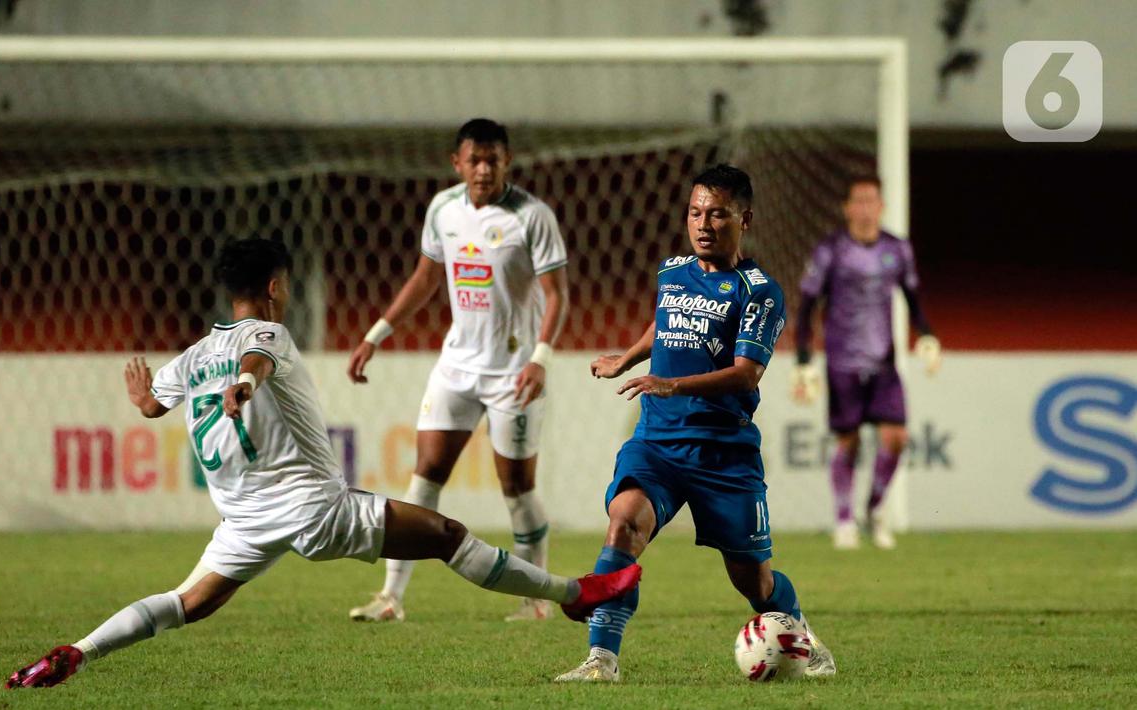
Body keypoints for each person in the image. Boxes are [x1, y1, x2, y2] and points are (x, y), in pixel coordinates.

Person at [5, 238, 638, 689]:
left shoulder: (195, 354)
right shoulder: (270, 333)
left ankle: (77, 651)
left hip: (244, 523)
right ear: (276, 287)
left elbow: (152, 405)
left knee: (187, 602)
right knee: (445, 535)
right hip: (313, 509)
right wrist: (247, 387)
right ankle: (573, 594)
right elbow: (257, 360)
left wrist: (145, 398)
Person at [554, 164, 834, 682]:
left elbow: (747, 375)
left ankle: (802, 636)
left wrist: (673, 385)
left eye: (718, 214)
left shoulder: (760, 292)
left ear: (743, 219)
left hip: (722, 453)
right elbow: (665, 319)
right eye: (695, 212)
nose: (703, 223)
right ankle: (602, 659)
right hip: (657, 442)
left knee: (753, 581)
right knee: (624, 523)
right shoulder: (672, 271)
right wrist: (630, 359)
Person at [347, 118, 570, 622]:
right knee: (425, 476)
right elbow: (426, 278)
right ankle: (391, 597)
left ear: (507, 161)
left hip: (514, 371)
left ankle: (536, 602)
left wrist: (540, 359)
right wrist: (375, 334)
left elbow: (558, 296)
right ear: (457, 163)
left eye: (494, 159)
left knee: (516, 487)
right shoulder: (443, 209)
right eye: (475, 159)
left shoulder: (532, 216)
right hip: (457, 366)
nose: (484, 169)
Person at [791, 175, 940, 550]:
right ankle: (844, 520)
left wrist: (926, 334)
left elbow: (912, 296)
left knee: (897, 437)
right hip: (842, 361)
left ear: (881, 206)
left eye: (871, 200)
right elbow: (808, 306)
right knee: (849, 441)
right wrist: (805, 360)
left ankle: (874, 508)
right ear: (847, 208)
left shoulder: (897, 249)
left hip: (884, 361)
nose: (864, 207)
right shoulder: (831, 250)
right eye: (858, 201)